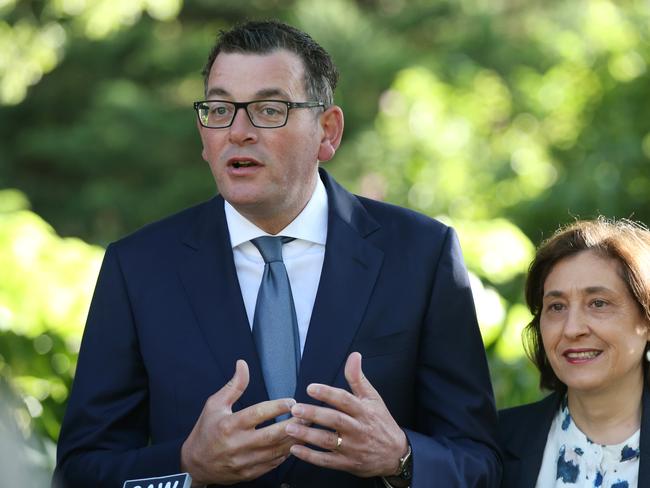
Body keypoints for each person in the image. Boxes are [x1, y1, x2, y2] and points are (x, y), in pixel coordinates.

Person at [53, 20, 500, 487]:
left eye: (268, 110)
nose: (238, 131)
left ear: (328, 131)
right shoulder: (138, 267)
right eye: (220, 109)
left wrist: (401, 458)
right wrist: (187, 465)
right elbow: (81, 470)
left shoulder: (422, 255)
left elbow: (479, 461)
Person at [498, 218, 650, 487]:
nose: (572, 329)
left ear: (646, 321)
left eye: (598, 303)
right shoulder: (497, 441)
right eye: (557, 307)